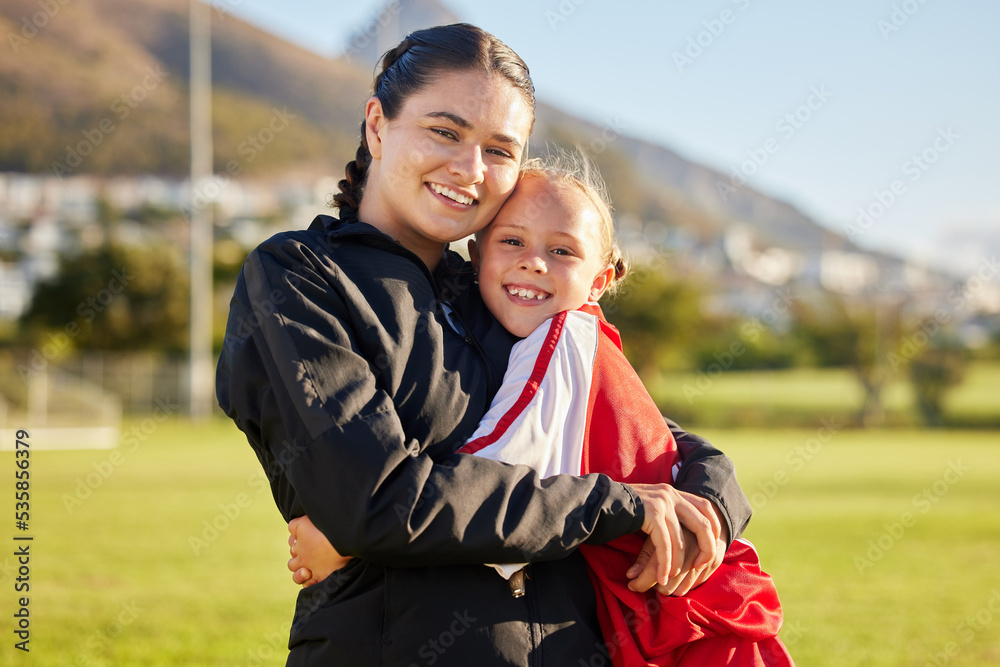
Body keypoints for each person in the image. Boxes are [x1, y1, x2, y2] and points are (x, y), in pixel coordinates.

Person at [217, 23, 752, 666]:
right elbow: (381, 503)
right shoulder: (298, 278)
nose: (470, 169)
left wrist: (712, 503)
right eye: (445, 132)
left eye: (500, 149)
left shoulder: (500, 289)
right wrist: (620, 505)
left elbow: (633, 433)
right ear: (378, 126)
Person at [290, 157, 794, 666]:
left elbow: (497, 476)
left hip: (691, 609)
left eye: (562, 250)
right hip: (689, 598)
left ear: (599, 281)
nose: (534, 262)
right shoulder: (581, 341)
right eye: (513, 241)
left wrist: (350, 536)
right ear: (475, 254)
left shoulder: (558, 342)